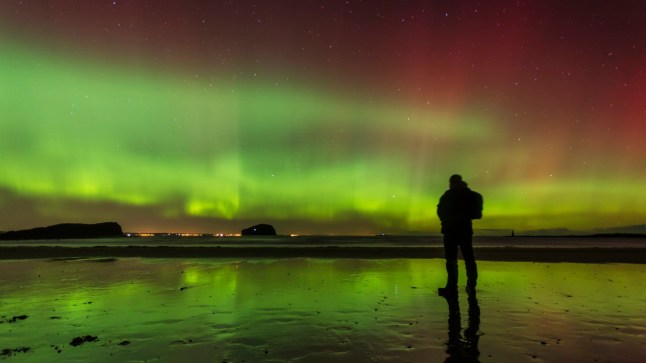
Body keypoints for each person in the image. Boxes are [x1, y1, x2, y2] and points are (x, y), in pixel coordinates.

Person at [437, 174, 480, 296]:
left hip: (452, 231)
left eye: (452, 182)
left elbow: (440, 211)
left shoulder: (449, 195)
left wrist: (446, 221)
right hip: (463, 231)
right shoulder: (469, 194)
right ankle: (470, 286)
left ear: (453, 183)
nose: (451, 184)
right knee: (467, 259)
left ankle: (453, 287)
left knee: (453, 260)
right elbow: (474, 213)